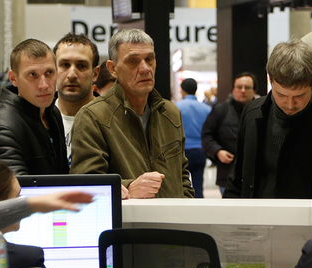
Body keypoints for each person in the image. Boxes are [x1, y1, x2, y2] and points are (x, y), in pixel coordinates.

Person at [224, 40, 312, 199]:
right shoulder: (252, 113)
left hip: (308, 222)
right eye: (281, 95)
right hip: (253, 219)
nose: (290, 105)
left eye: (299, 96)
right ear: (270, 80)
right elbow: (237, 177)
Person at [70, 29, 194, 198]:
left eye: (149, 59)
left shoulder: (170, 112)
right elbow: (85, 183)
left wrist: (186, 212)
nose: (145, 69)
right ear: (113, 69)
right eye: (133, 61)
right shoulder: (93, 117)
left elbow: (182, 176)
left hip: (173, 221)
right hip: (129, 222)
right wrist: (128, 187)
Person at [0, 39, 68, 175]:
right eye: (32, 75)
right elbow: (16, 190)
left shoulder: (52, 112)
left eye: (49, 73)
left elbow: (62, 179)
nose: (43, 85)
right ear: (13, 79)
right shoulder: (3, 126)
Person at [201, 72, 257, 195]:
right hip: (227, 175)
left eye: (247, 88)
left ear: (253, 90)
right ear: (233, 89)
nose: (243, 91)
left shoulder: (262, 111)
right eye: (239, 87)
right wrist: (218, 151)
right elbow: (206, 135)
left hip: (256, 177)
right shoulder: (221, 110)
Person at [53, 33, 100, 167]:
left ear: (95, 74)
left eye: (81, 66)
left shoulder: (114, 119)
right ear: (54, 70)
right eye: (65, 64)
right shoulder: (38, 119)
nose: (72, 74)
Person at [176, 78, 210, 198]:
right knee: (198, 184)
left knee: (180, 184)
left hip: (182, 151)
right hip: (200, 150)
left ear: (182, 90)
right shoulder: (206, 109)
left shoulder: (176, 108)